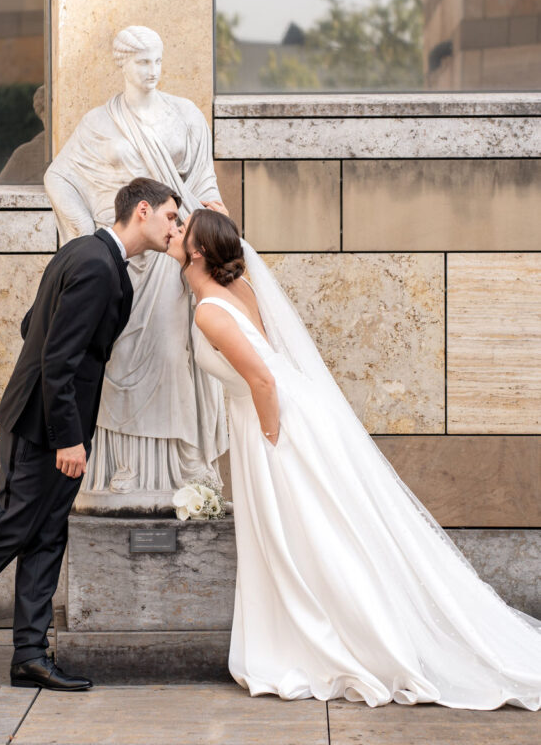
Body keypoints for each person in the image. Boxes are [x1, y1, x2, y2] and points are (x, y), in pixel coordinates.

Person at [166, 207, 541, 710]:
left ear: (196, 251)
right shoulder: (239, 289)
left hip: (275, 424)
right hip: (289, 414)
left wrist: (272, 442)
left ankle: (353, 644)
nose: (172, 233)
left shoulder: (210, 309)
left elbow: (262, 379)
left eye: (180, 229)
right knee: (318, 533)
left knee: (309, 538)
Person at [0, 177, 181, 692]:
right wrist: (67, 438)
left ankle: (29, 655)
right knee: (12, 528)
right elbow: (57, 358)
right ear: (143, 210)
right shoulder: (99, 267)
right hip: (43, 428)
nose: (176, 228)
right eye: (171, 217)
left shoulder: (82, 253)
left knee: (47, 534)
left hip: (45, 421)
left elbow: (33, 323)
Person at [44, 25, 227, 509]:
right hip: (122, 262)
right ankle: (125, 464)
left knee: (172, 354)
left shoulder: (185, 116)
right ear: (122, 63)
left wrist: (213, 217)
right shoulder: (99, 123)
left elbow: (203, 181)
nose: (152, 71)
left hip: (169, 257)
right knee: (119, 356)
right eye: (142, 61)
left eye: (157, 61)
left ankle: (187, 459)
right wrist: (86, 238)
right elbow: (58, 176)